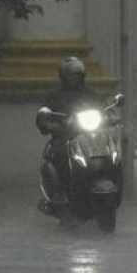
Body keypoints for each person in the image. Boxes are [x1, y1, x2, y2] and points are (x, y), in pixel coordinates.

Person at [36, 56, 100, 209]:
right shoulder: (55, 95)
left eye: (77, 74)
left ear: (82, 76)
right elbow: (44, 114)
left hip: (90, 137)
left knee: (109, 152)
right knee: (60, 154)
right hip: (65, 137)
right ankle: (59, 193)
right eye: (71, 75)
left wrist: (111, 115)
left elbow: (103, 108)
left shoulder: (90, 93)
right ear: (63, 76)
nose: (74, 78)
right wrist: (47, 121)